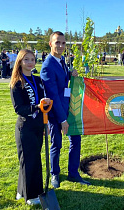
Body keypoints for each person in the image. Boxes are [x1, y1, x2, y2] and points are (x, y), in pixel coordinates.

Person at [40, 31, 91, 188]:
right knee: (57, 144)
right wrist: (63, 120)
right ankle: (55, 174)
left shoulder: (61, 61)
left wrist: (70, 74)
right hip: (56, 114)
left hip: (69, 109)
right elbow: (53, 94)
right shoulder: (47, 66)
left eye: (63, 43)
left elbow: (61, 79)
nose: (60, 46)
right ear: (51, 44)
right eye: (57, 43)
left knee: (76, 141)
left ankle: (73, 174)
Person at [10, 49, 51, 205]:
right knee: (29, 160)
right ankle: (31, 196)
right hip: (25, 127)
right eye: (26, 59)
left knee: (33, 159)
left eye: (32, 59)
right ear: (19, 62)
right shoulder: (16, 82)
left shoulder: (38, 80)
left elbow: (43, 104)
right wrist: (36, 107)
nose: (30, 62)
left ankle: (22, 191)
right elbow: (19, 108)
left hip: (37, 125)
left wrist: (44, 125)